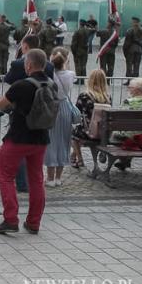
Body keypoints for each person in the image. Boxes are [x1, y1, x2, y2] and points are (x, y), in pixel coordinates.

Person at [0, 49, 54, 235]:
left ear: (28, 65)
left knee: (6, 176)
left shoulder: (21, 85)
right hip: (41, 138)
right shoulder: (52, 84)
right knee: (36, 180)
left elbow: (1, 104)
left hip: (18, 137)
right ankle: (34, 222)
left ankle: (11, 219)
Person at [45, 47, 76, 187]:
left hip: (51, 108)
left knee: (51, 142)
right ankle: (58, 177)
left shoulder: (48, 75)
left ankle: (50, 178)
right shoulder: (70, 74)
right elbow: (66, 69)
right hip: (65, 108)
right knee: (64, 142)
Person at [71, 69, 111, 169]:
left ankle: (79, 159)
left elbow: (77, 112)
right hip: (104, 132)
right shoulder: (108, 97)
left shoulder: (85, 96)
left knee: (74, 133)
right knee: (79, 129)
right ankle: (73, 155)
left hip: (89, 132)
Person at [114, 77, 142, 171]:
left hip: (131, 138)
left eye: (130, 87)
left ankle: (124, 159)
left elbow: (118, 119)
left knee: (116, 135)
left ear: (137, 90)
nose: (128, 89)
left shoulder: (128, 103)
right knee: (135, 132)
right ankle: (125, 160)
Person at [123, 17, 142, 81]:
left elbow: (127, 43)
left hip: (131, 49)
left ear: (134, 22)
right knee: (137, 65)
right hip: (139, 50)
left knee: (129, 65)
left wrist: (125, 52)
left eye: (132, 21)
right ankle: (135, 80)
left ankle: (129, 80)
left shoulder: (130, 31)